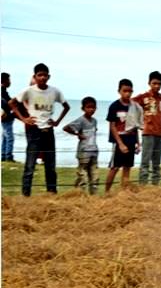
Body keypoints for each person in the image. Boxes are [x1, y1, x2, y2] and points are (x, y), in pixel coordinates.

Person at [9, 63, 70, 196]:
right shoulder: (29, 91)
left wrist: (57, 121)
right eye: (39, 75)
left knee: (50, 165)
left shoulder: (55, 91)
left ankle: (52, 193)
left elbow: (66, 106)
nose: (42, 77)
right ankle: (26, 195)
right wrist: (24, 119)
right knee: (30, 165)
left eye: (45, 75)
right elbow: (12, 103)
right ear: (35, 76)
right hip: (34, 130)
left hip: (48, 131)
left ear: (49, 76)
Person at [105, 79, 141, 192]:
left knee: (127, 167)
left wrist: (138, 143)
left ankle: (124, 192)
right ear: (119, 91)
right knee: (114, 167)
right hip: (119, 139)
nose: (127, 93)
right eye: (125, 91)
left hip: (131, 138)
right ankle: (107, 192)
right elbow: (112, 126)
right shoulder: (114, 106)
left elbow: (136, 126)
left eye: (130, 91)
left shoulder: (134, 106)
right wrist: (120, 144)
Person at [133, 71, 161, 186]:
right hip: (148, 132)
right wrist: (139, 121)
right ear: (149, 83)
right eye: (154, 83)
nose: (157, 86)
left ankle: (155, 186)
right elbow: (130, 103)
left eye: (159, 84)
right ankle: (143, 186)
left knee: (157, 163)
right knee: (145, 161)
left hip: (160, 132)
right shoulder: (143, 97)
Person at [63, 96, 99, 194]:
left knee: (95, 176)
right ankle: (78, 194)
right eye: (88, 107)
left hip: (93, 151)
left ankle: (93, 197)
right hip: (83, 152)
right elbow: (66, 128)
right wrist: (78, 134)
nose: (91, 109)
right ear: (83, 108)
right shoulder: (81, 120)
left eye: (93, 107)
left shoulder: (95, 121)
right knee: (83, 176)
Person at [1, 72, 16, 162]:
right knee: (10, 137)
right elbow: (6, 104)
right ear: (4, 80)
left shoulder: (4, 91)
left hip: (6, 118)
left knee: (5, 137)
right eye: (9, 80)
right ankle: (8, 156)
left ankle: (3, 155)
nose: (10, 82)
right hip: (5, 118)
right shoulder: (2, 91)